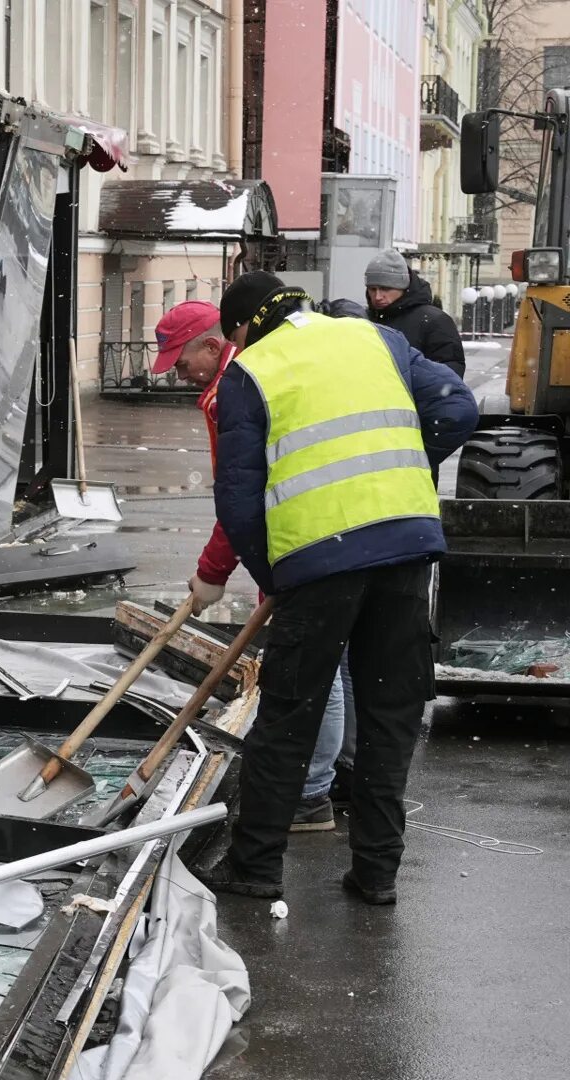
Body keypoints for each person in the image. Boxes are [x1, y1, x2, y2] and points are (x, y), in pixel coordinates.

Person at [195, 271, 477, 906]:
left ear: (243, 327)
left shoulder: (250, 371)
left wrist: (276, 576)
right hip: (407, 552)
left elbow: (238, 500)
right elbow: (459, 409)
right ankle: (376, 874)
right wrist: (404, 465)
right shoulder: (376, 339)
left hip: (319, 564)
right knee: (389, 715)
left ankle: (257, 866)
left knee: (289, 715)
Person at [152, 300, 343, 832]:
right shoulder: (285, 363)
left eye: (182, 362)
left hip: (299, 539)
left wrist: (214, 573)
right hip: (341, 527)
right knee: (338, 662)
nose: (177, 376)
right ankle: (337, 776)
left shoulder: (232, 391)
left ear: (213, 347)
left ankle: (311, 795)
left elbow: (239, 499)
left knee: (312, 671)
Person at [365, 250, 466, 379]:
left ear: (403, 287)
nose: (378, 296)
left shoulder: (435, 321)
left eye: (386, 289)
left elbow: (449, 375)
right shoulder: (365, 318)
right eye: (372, 289)